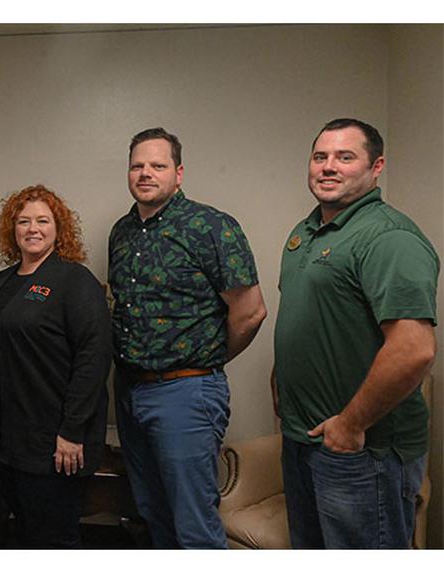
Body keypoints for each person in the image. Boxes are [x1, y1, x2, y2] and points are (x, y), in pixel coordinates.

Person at [273, 118, 438, 549]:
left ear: (376, 166)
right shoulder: (304, 232)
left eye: (345, 157)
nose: (329, 167)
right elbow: (311, 318)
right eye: (320, 156)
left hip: (363, 451)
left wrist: (350, 424)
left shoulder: (388, 237)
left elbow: (414, 348)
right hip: (303, 439)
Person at [109, 128, 266, 549]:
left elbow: (250, 312)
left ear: (178, 173)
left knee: (194, 523)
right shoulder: (121, 233)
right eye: (137, 165)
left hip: (186, 392)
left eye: (157, 165)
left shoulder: (211, 226)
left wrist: (203, 361)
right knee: (153, 512)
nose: (145, 173)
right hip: (129, 391)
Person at [0, 185, 111, 548]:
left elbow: (93, 358)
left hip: (52, 441)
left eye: (43, 220)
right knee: (27, 533)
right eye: (23, 220)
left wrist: (72, 430)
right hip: (3, 438)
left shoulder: (74, 281)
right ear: (11, 229)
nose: (33, 228)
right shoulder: (2, 280)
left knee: (54, 538)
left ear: (58, 228)